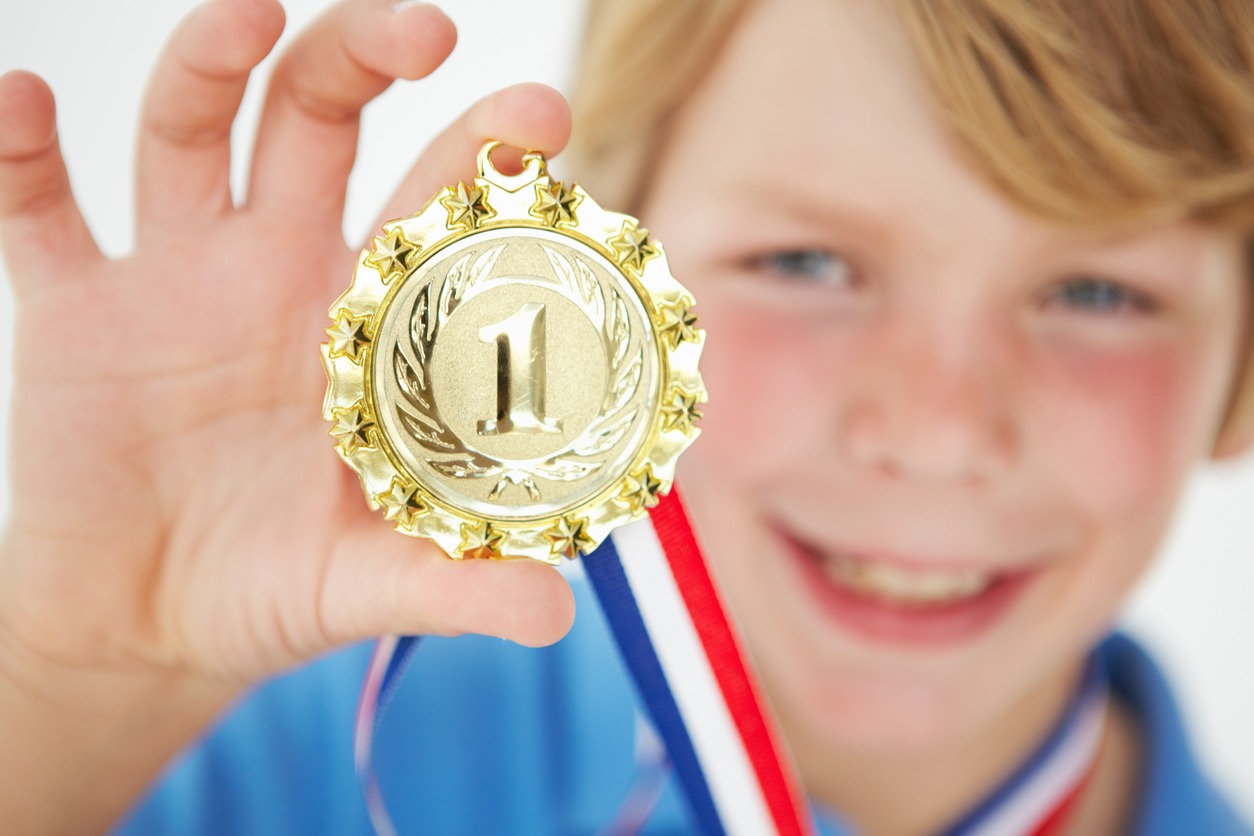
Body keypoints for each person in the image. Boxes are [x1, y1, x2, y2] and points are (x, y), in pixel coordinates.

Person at [0, 0, 1251, 833]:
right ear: (604, 285)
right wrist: (71, 680)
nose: (935, 429)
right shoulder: (250, 746)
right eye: (807, 263)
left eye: (1098, 291)